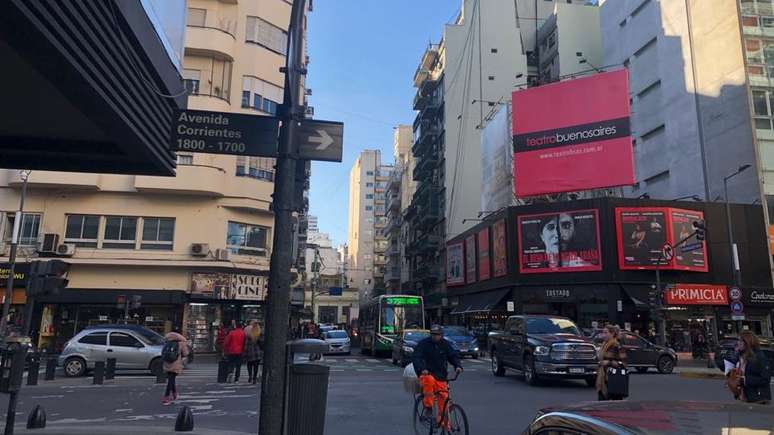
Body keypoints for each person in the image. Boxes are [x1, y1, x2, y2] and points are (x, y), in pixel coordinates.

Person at [412, 325, 463, 421]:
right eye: (433, 334)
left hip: (441, 375)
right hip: (427, 373)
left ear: (441, 335)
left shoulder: (445, 344)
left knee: (444, 403)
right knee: (429, 381)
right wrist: (422, 369)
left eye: (437, 334)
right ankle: (428, 408)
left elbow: (453, 356)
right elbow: (416, 357)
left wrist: (458, 366)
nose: (435, 336)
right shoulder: (424, 344)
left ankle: (444, 425)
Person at [734, 331, 772, 404]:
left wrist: (745, 380)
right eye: (738, 340)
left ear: (748, 342)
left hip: (759, 399)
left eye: (740, 341)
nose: (738, 343)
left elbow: (765, 379)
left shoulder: (759, 357)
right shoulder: (742, 357)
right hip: (746, 398)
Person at [595, 324, 627, 401]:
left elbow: (624, 363)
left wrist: (609, 362)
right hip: (603, 377)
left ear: (612, 334)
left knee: (615, 404)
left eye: (606, 333)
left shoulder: (616, 345)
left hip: (613, 378)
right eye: (603, 333)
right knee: (601, 402)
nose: (604, 335)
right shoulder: (604, 344)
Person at [162, 328, 189, 406]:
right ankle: (166, 397)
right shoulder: (181, 343)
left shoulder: (167, 341)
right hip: (175, 364)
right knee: (171, 380)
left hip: (167, 363)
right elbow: (186, 353)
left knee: (171, 378)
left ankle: (174, 394)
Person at [243, 320, 263, 384]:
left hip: (249, 352)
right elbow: (261, 344)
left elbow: (246, 345)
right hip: (257, 353)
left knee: (249, 365)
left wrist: (244, 352)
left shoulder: (248, 335)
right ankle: (254, 378)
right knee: (256, 366)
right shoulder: (258, 334)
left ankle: (250, 376)